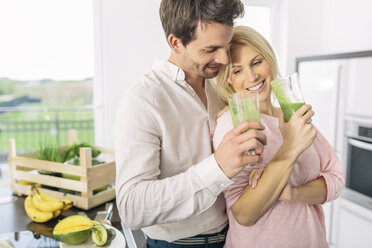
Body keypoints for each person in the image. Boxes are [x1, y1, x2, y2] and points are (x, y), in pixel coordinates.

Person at [213, 26, 345, 248]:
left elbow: (336, 179)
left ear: (269, 60)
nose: (252, 76)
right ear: (228, 81)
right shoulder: (234, 124)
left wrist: (291, 193)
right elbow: (244, 214)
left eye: (256, 62)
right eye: (237, 71)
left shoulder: (291, 114)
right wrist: (291, 147)